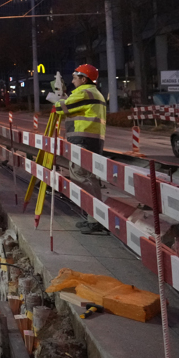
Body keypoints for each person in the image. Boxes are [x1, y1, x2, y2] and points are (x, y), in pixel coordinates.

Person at [53, 64, 108, 234]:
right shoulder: (93, 93)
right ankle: (94, 219)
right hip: (91, 140)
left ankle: (96, 220)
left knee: (82, 178)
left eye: (75, 77)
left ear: (84, 79)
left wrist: (56, 97)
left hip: (83, 140)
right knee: (89, 178)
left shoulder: (85, 92)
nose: (72, 80)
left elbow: (60, 108)